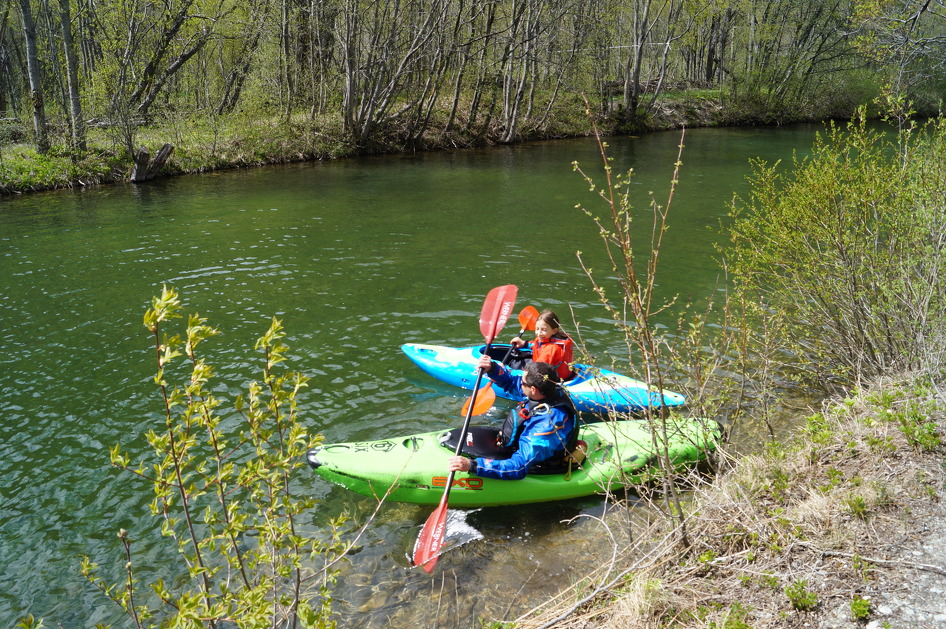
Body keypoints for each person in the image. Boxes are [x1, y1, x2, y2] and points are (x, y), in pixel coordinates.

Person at [447, 355, 578, 480]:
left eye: (523, 382)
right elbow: (511, 382)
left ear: (533, 389)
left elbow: (518, 467)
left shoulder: (545, 426)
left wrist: (473, 466)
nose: (520, 383)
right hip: (521, 443)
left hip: (536, 462)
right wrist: (492, 368)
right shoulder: (547, 390)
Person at [511, 309, 575, 381]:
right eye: (537, 329)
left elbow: (537, 371)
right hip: (543, 368)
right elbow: (537, 345)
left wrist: (511, 372)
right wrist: (524, 343)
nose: (539, 333)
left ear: (554, 331)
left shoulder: (551, 349)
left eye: (543, 330)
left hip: (553, 379)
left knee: (512, 367)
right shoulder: (546, 338)